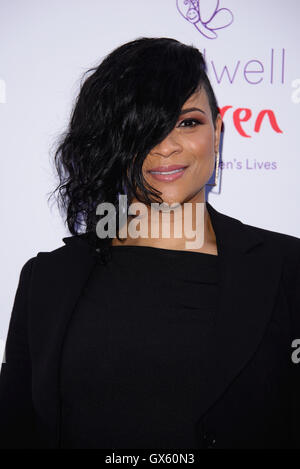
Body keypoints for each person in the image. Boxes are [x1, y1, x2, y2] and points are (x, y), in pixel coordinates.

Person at [0, 37, 299, 449]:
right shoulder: (46, 280)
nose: (167, 146)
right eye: (144, 127)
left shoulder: (289, 268)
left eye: (187, 122)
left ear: (218, 130)